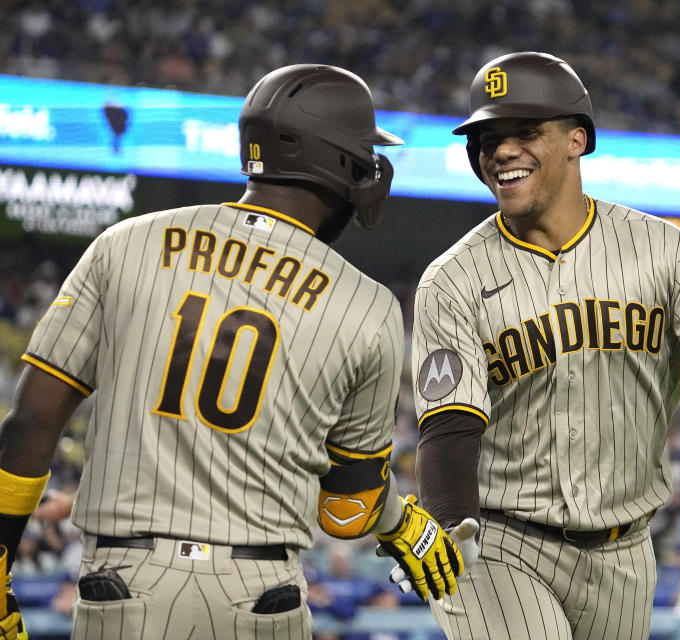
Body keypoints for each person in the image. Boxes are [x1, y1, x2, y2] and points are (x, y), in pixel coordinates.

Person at [0, 63, 466, 640]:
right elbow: (346, 509)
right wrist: (404, 526)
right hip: (260, 594)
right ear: (341, 163)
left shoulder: (125, 243)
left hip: (123, 584)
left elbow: (31, 423)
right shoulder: (366, 303)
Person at [409, 51, 680, 639]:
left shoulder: (665, 250)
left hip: (624, 554)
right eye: (487, 138)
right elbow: (449, 429)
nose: (501, 151)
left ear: (577, 139)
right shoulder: (452, 278)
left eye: (525, 132)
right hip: (498, 541)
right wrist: (448, 525)